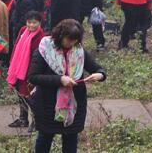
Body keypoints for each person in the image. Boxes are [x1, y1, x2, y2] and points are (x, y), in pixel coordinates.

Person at [27, 19, 107, 153]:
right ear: (60, 36)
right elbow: (33, 77)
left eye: (75, 40)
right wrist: (59, 80)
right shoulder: (44, 50)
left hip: (74, 103)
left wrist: (99, 75)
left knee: (70, 137)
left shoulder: (79, 51)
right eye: (69, 39)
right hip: (48, 103)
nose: (72, 43)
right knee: (45, 137)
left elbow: (98, 69)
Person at [7, 11, 46, 130]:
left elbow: (40, 58)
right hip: (19, 67)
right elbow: (16, 46)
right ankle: (23, 118)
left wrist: (33, 74)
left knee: (30, 96)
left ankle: (37, 120)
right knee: (20, 94)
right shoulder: (23, 30)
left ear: (39, 23)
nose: (31, 25)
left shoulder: (41, 37)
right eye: (29, 22)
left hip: (30, 70)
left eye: (34, 23)